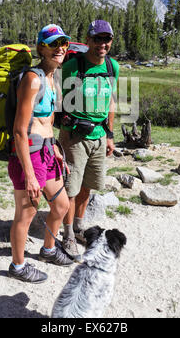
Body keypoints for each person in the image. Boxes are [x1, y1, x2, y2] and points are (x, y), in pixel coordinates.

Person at [8, 24, 74, 283]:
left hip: (47, 151)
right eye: (53, 43)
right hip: (30, 155)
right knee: (26, 214)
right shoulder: (32, 79)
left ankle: (48, 250)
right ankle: (18, 266)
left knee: (61, 205)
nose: (60, 48)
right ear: (41, 48)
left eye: (63, 43)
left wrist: (56, 148)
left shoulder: (53, 78)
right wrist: (30, 175)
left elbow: (47, 122)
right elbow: (19, 131)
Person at [59, 20, 120, 259]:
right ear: (88, 41)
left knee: (87, 186)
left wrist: (110, 135)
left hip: (99, 136)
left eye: (107, 39)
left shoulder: (112, 66)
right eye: (97, 39)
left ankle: (79, 226)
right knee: (70, 189)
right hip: (74, 137)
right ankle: (67, 235)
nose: (102, 44)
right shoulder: (73, 66)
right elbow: (56, 96)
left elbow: (111, 101)